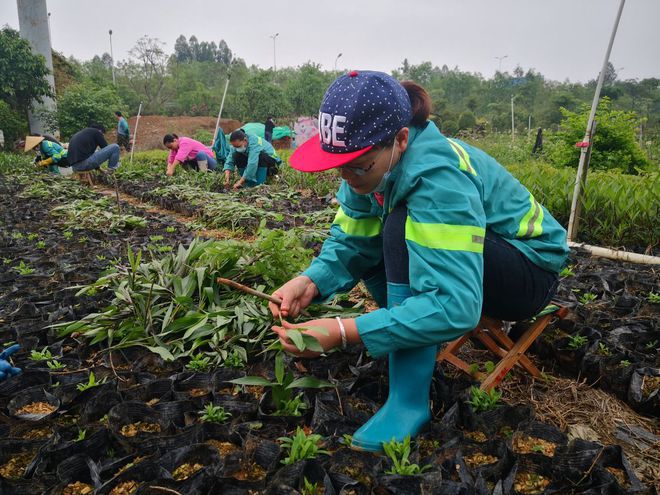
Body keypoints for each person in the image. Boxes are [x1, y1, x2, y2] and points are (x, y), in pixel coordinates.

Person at [268, 71, 569, 452]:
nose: (347, 176)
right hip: (477, 266)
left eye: (359, 165)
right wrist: (309, 281)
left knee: (397, 228)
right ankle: (408, 336)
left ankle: (407, 403)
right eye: (338, 165)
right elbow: (352, 241)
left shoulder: (440, 177)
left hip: (527, 272)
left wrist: (344, 332)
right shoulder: (371, 165)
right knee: (380, 241)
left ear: (401, 139)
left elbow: (456, 306)